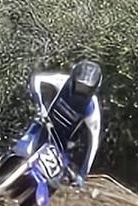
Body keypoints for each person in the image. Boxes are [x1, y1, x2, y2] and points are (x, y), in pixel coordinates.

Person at [26, 59, 103, 189]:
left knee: (52, 182)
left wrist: (82, 175)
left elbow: (93, 145)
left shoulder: (92, 109)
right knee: (19, 150)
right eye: (79, 86)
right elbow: (36, 79)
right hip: (43, 128)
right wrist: (40, 107)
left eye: (86, 89)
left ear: (94, 89)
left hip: (60, 146)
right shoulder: (62, 81)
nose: (81, 92)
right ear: (72, 79)